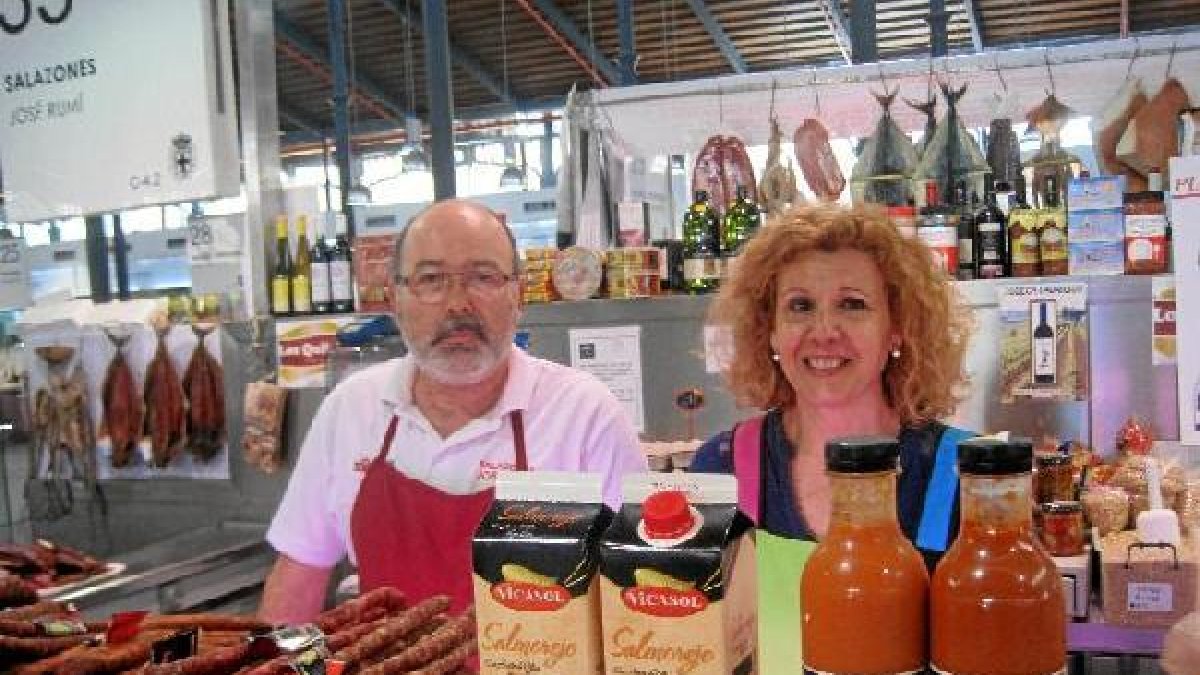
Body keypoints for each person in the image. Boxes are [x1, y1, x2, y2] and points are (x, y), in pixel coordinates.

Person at [259, 199, 646, 622]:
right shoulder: (351, 409)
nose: (458, 304)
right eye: (431, 280)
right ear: (394, 298)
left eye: (483, 277)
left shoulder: (585, 414)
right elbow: (300, 570)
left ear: (519, 294)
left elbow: (638, 587)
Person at [689, 203, 974, 672]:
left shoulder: (967, 476)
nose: (824, 331)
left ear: (896, 328)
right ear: (771, 333)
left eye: (852, 304)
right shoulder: (721, 469)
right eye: (800, 306)